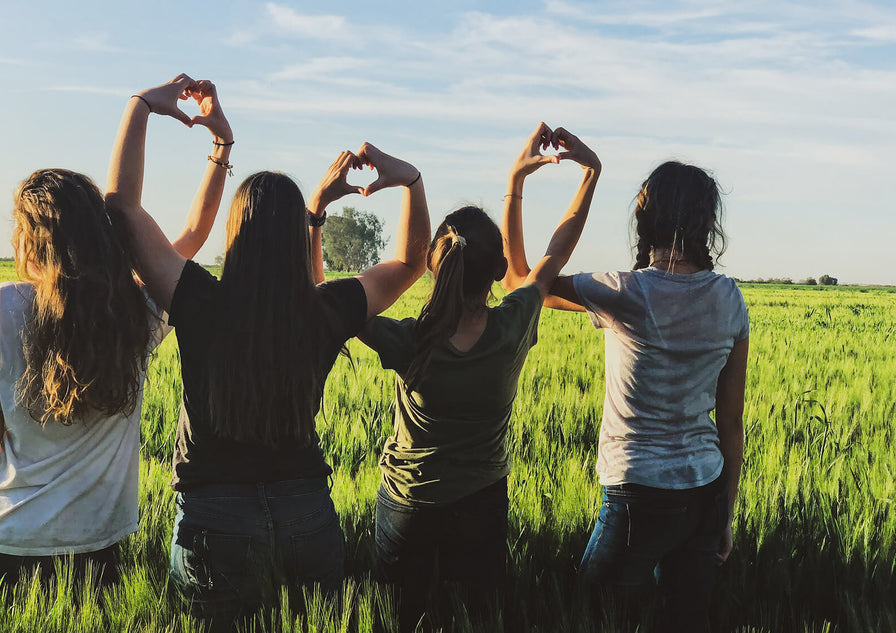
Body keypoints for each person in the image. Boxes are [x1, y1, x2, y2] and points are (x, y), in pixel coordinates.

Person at [104, 75, 431, 622]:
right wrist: (411, 183)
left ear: (236, 234)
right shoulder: (325, 311)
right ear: (294, 239)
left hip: (215, 520)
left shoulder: (199, 299)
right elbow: (410, 261)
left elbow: (121, 210)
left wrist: (141, 106)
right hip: (308, 516)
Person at [0, 81, 227, 605]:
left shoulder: (5, 305)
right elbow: (192, 234)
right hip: (96, 550)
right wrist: (219, 148)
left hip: (6, 540)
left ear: (32, 240)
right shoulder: (135, 312)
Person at [354, 123, 600, 631]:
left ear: (433, 267)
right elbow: (554, 252)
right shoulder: (514, 323)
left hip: (409, 505)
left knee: (400, 620)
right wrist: (582, 175)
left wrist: (316, 215)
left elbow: (327, 305)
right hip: (483, 504)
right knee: (476, 619)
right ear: (497, 269)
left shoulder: (410, 340)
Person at [502, 146, 749, 632]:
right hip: (706, 492)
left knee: (589, 614)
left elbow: (519, 281)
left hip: (637, 493)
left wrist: (516, 181)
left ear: (645, 217)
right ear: (706, 222)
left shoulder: (625, 290)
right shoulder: (730, 298)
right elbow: (731, 421)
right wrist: (726, 512)